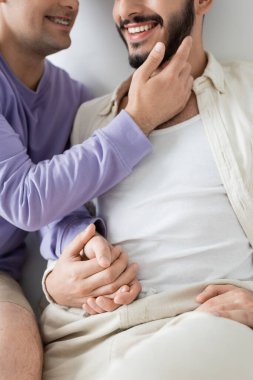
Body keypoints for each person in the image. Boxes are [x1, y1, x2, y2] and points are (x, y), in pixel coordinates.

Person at [41, 0, 253, 379]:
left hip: (200, 326)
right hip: (82, 340)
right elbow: (57, 223)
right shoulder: (88, 119)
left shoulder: (247, 96)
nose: (126, 9)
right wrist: (55, 283)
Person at [0, 0, 194, 379]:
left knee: (15, 350)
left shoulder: (71, 98)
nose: (70, 4)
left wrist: (85, 244)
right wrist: (139, 120)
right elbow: (25, 198)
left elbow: (59, 205)